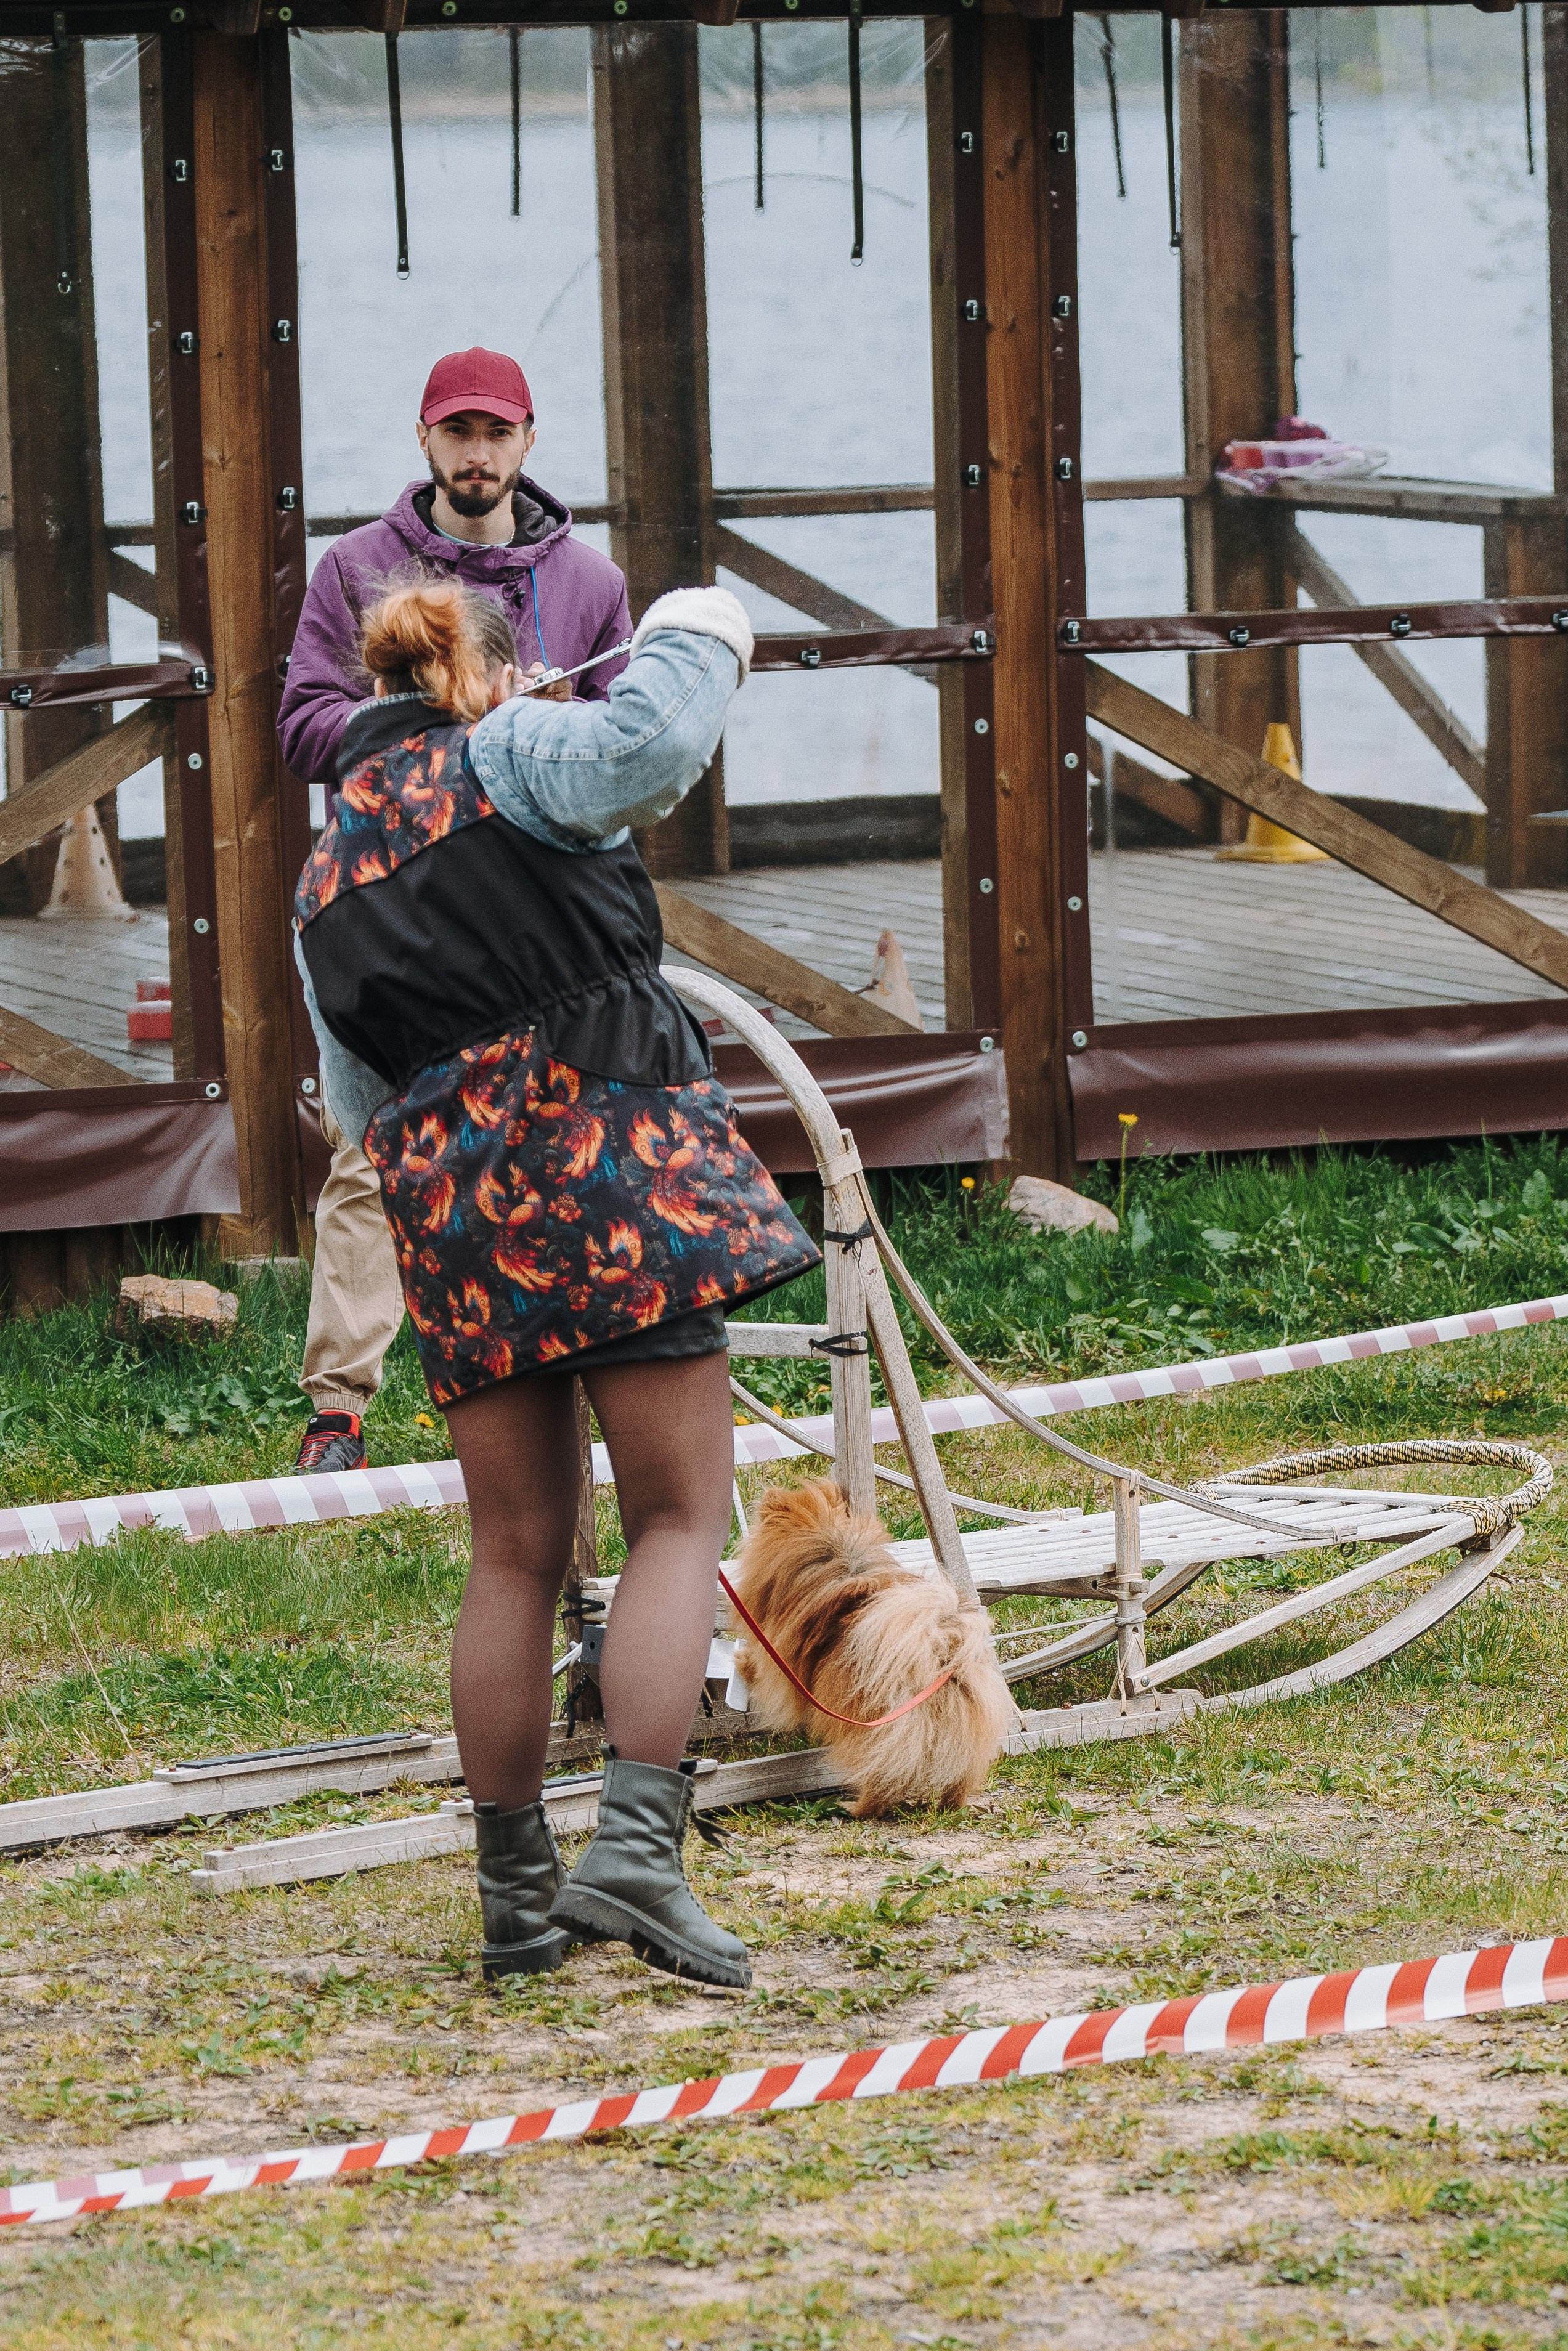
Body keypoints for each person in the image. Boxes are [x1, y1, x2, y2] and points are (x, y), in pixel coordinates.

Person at [291, 574, 818, 1991]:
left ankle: (515, 1899)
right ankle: (637, 1858)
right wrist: (700, 623)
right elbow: (656, 743)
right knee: (676, 1517)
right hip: (613, 1165)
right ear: (481, 675)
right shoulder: (513, 750)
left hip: (454, 1217)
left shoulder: (322, 876)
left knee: (514, 1554)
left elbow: (355, 1103)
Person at [278, 347, 631, 1474]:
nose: (476, 454)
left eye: (496, 432)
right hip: (394, 893)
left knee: (562, 1133)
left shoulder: (592, 582)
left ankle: (559, 1375)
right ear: (424, 439)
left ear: (529, 440)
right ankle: (338, 1412)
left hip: (536, 906)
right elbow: (302, 729)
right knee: (373, 1142)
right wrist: (443, 715)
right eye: (457, 432)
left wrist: (541, 726)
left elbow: (617, 748)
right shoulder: (353, 568)